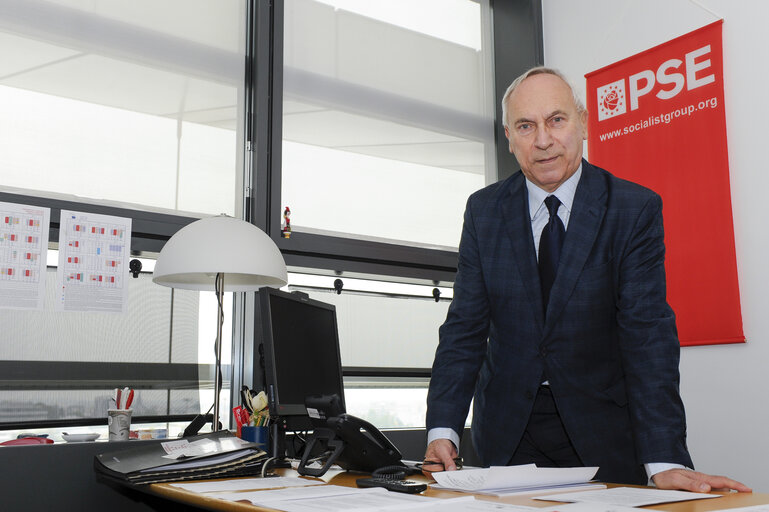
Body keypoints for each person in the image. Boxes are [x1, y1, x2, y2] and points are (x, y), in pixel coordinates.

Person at [423, 66, 750, 493]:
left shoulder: (633, 209)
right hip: (506, 433)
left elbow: (646, 336)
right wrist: (443, 429)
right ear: (509, 136)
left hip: (604, 431)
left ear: (583, 123)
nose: (543, 140)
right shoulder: (484, 211)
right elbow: (464, 327)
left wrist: (664, 458)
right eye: (526, 125)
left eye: (556, 120)